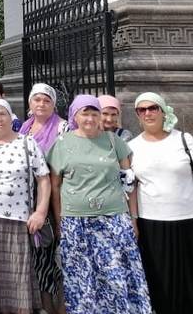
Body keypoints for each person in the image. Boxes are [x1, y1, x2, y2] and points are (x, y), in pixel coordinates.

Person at [48, 95, 151, 314]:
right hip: (76, 222)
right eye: (85, 113)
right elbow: (55, 186)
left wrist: (133, 219)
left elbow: (129, 182)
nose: (90, 118)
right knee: (82, 281)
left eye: (95, 113)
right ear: (75, 115)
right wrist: (59, 221)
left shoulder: (114, 141)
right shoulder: (62, 144)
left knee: (116, 277)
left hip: (114, 219)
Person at [130, 92, 193, 314]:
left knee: (192, 283)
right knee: (160, 285)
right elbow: (131, 188)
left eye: (153, 108)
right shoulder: (132, 147)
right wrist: (134, 221)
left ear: (163, 111)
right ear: (138, 115)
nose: (148, 113)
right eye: (142, 110)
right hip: (152, 223)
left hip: (189, 221)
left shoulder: (184, 140)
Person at [0, 99, 51, 314]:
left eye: (3, 114)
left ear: (11, 117)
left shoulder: (27, 143)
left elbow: (43, 179)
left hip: (18, 218)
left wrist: (40, 212)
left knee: (17, 271)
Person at [18, 83, 67, 314]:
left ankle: (60, 307)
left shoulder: (62, 128)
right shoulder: (24, 129)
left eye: (46, 100)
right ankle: (44, 305)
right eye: (37, 99)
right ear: (29, 103)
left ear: (53, 104)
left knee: (55, 256)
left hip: (54, 199)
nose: (41, 104)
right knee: (38, 257)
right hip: (28, 200)